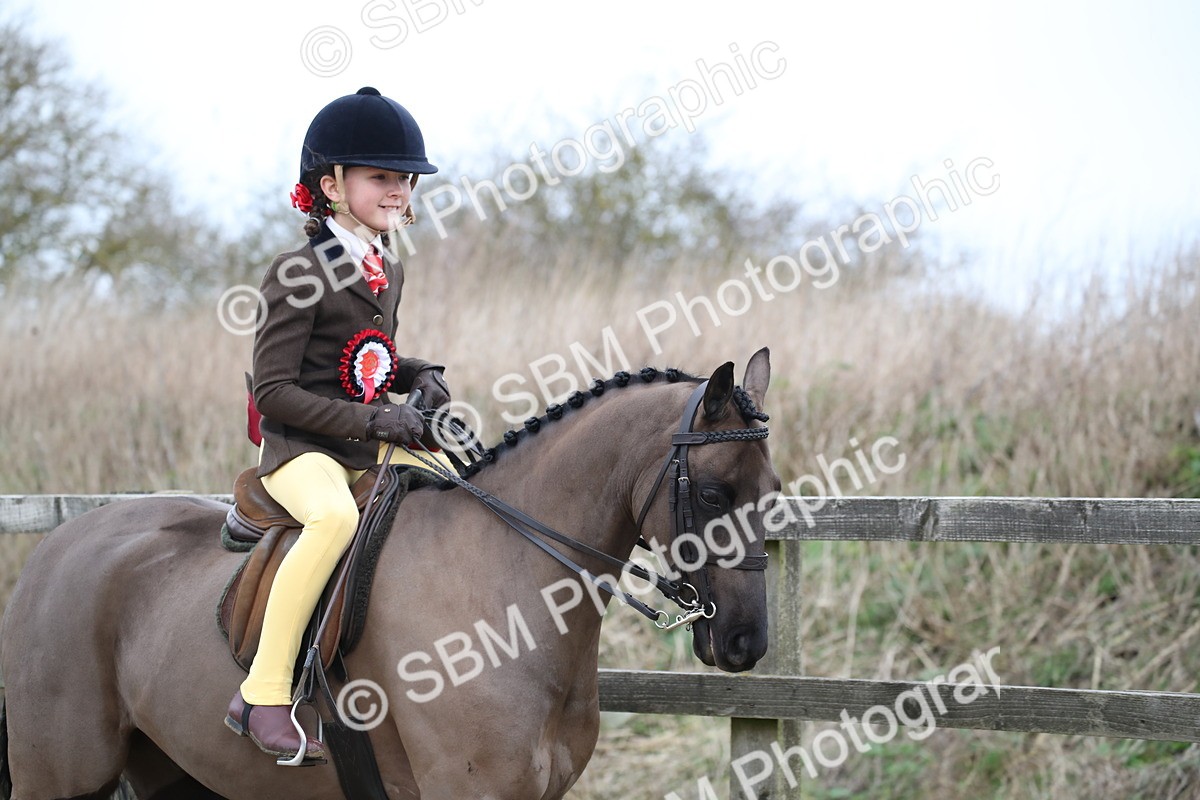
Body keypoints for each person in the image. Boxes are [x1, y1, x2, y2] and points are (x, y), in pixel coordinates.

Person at [225, 87, 450, 763]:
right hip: (299, 450)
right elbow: (276, 391)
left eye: (405, 180)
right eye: (381, 177)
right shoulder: (296, 272)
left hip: (365, 441)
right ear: (330, 185)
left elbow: (363, 362)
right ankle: (263, 695)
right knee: (333, 522)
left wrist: (415, 376)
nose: (398, 191)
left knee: (453, 497)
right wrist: (380, 414)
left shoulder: (390, 268)